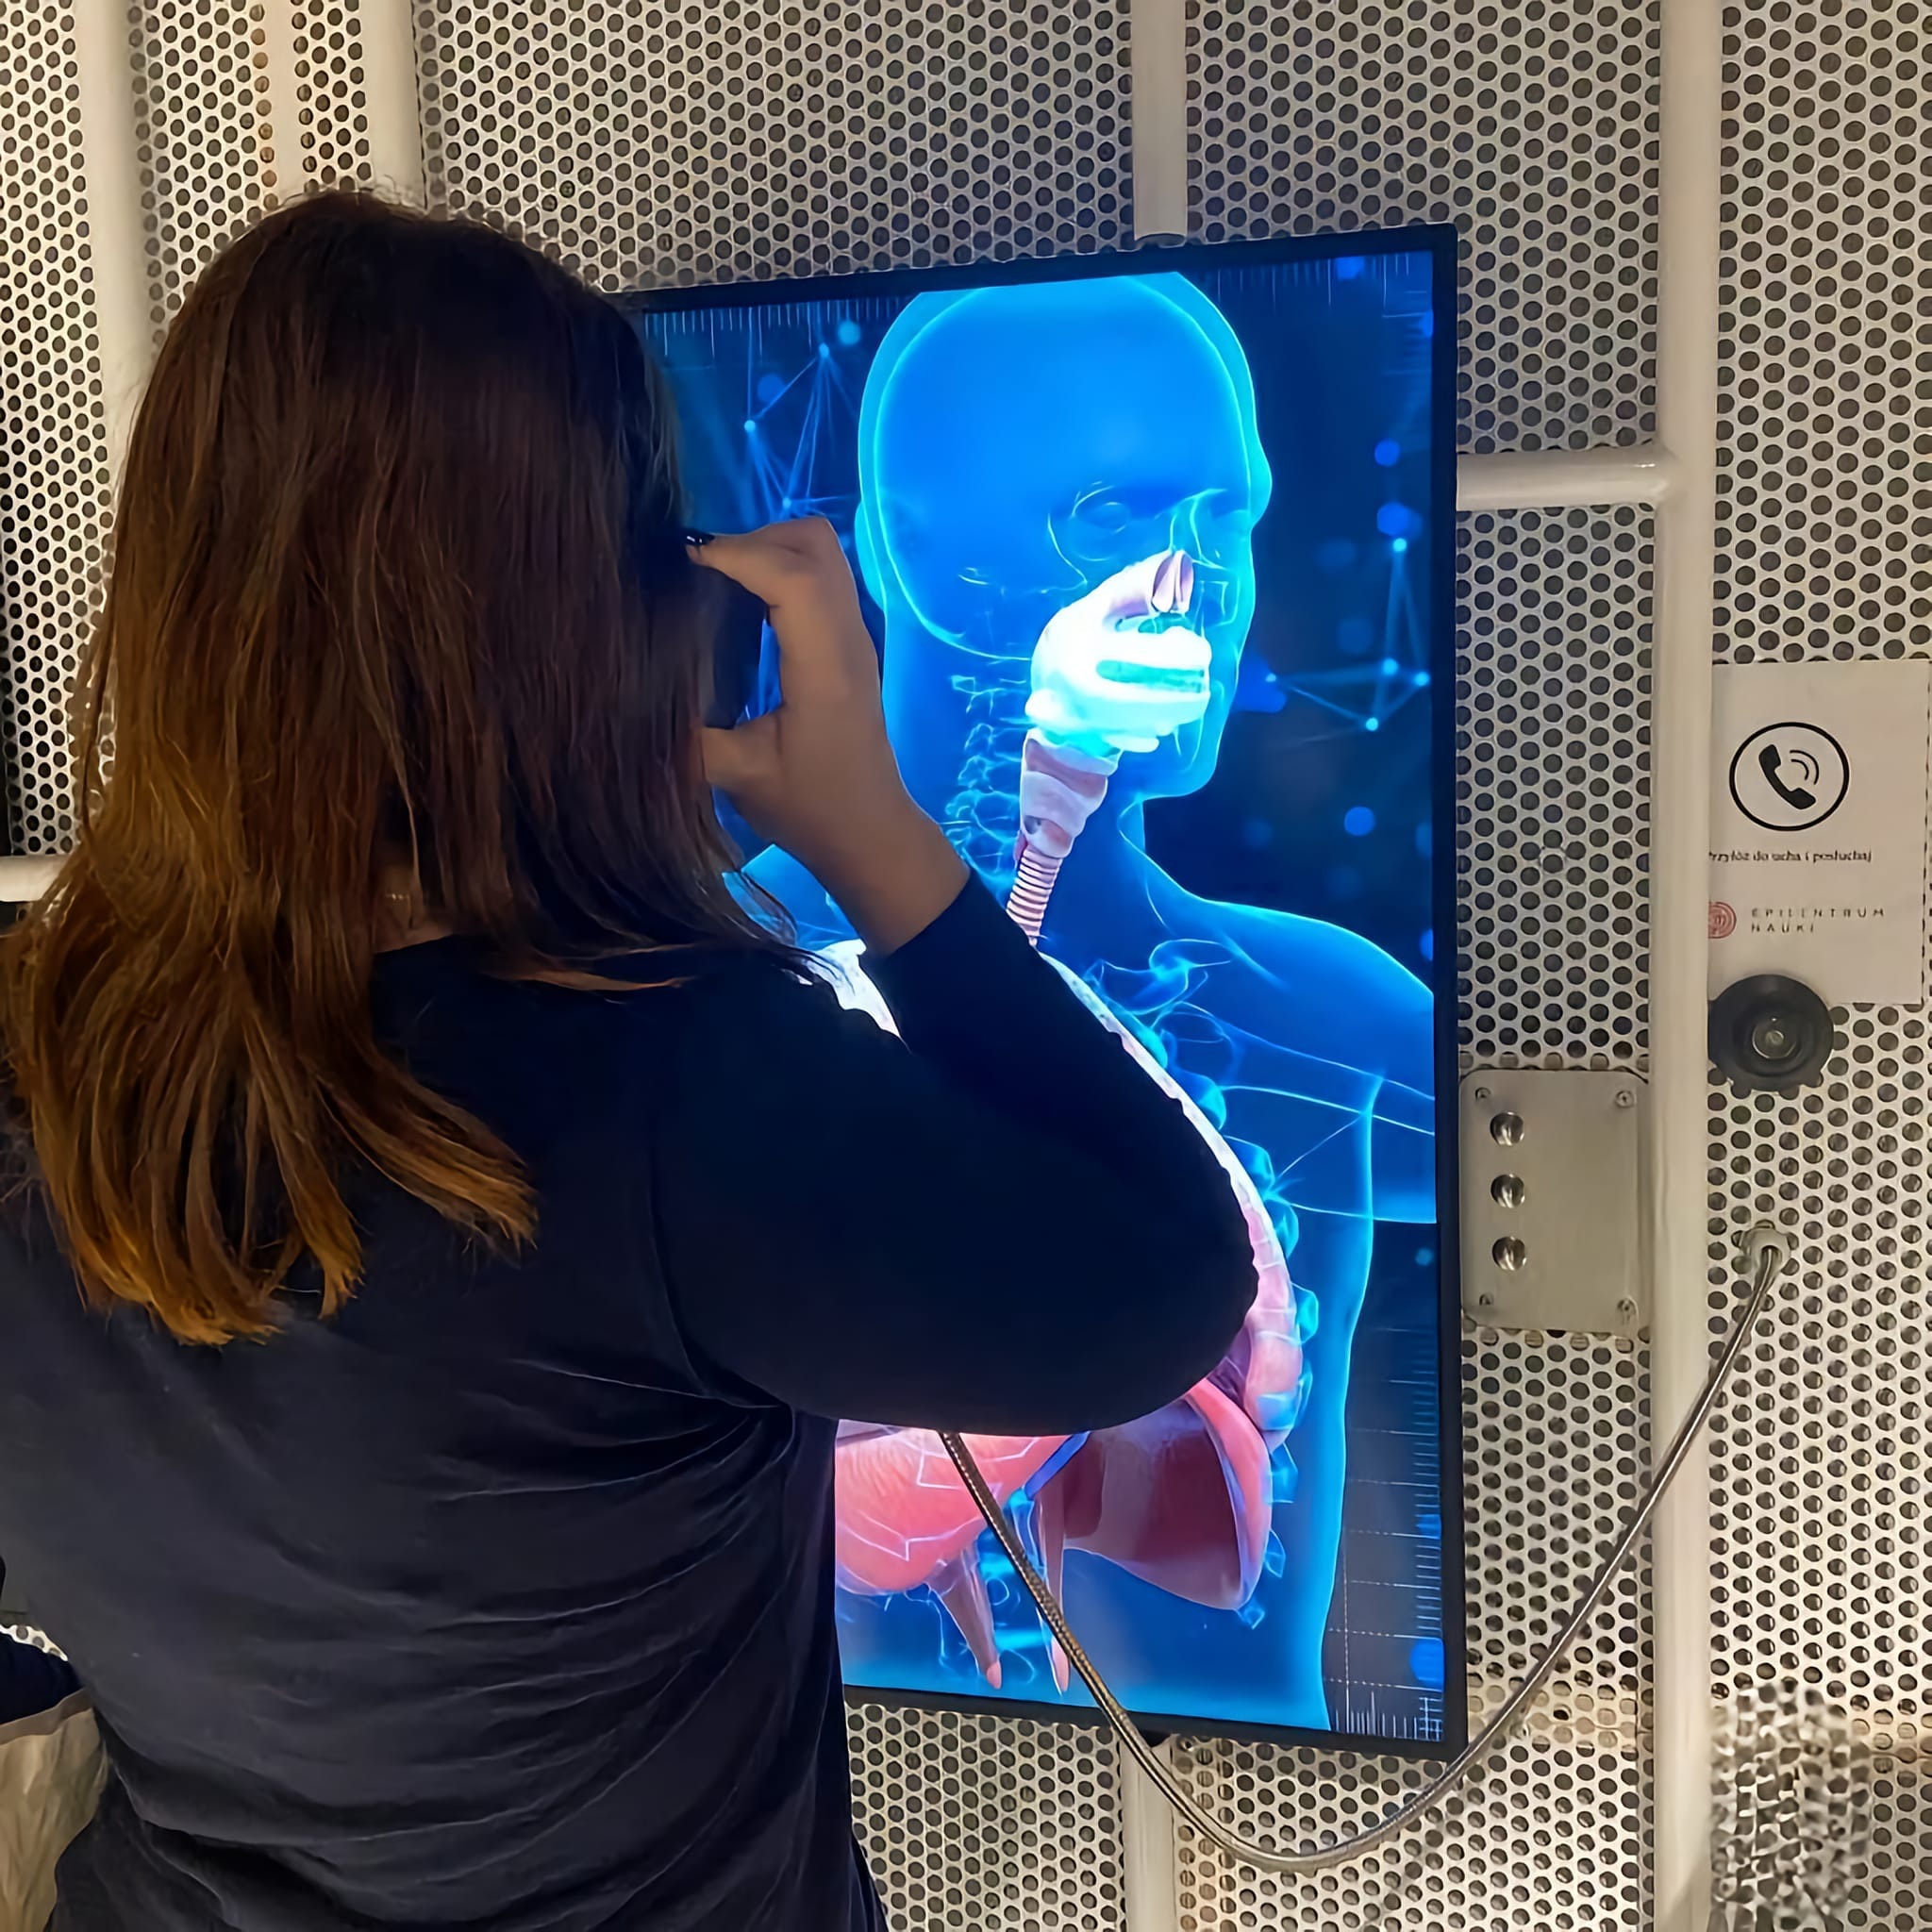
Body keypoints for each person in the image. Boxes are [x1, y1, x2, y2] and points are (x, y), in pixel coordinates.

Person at [0, 193, 1255, 1932]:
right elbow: (1161, 1283)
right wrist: (874, 837)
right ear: (610, 625)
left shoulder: (33, 1041)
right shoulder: (668, 1089)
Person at [745, 277, 1434, 1728]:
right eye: (1115, 517)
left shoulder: (1337, 1009)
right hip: (809, 1772)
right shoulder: (711, 978)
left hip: (1260, 1795)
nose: (1204, 581)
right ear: (910, 548)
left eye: (1228, 520)